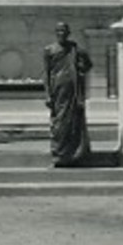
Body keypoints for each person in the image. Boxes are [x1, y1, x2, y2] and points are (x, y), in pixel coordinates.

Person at [43, 22, 92, 167]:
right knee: (59, 124)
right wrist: (47, 94)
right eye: (58, 30)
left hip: (73, 91)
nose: (61, 33)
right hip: (58, 91)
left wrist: (80, 70)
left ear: (68, 32)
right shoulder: (49, 50)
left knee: (74, 124)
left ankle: (74, 155)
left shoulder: (75, 49)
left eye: (64, 30)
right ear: (55, 32)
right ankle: (58, 155)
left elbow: (88, 64)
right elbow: (46, 73)